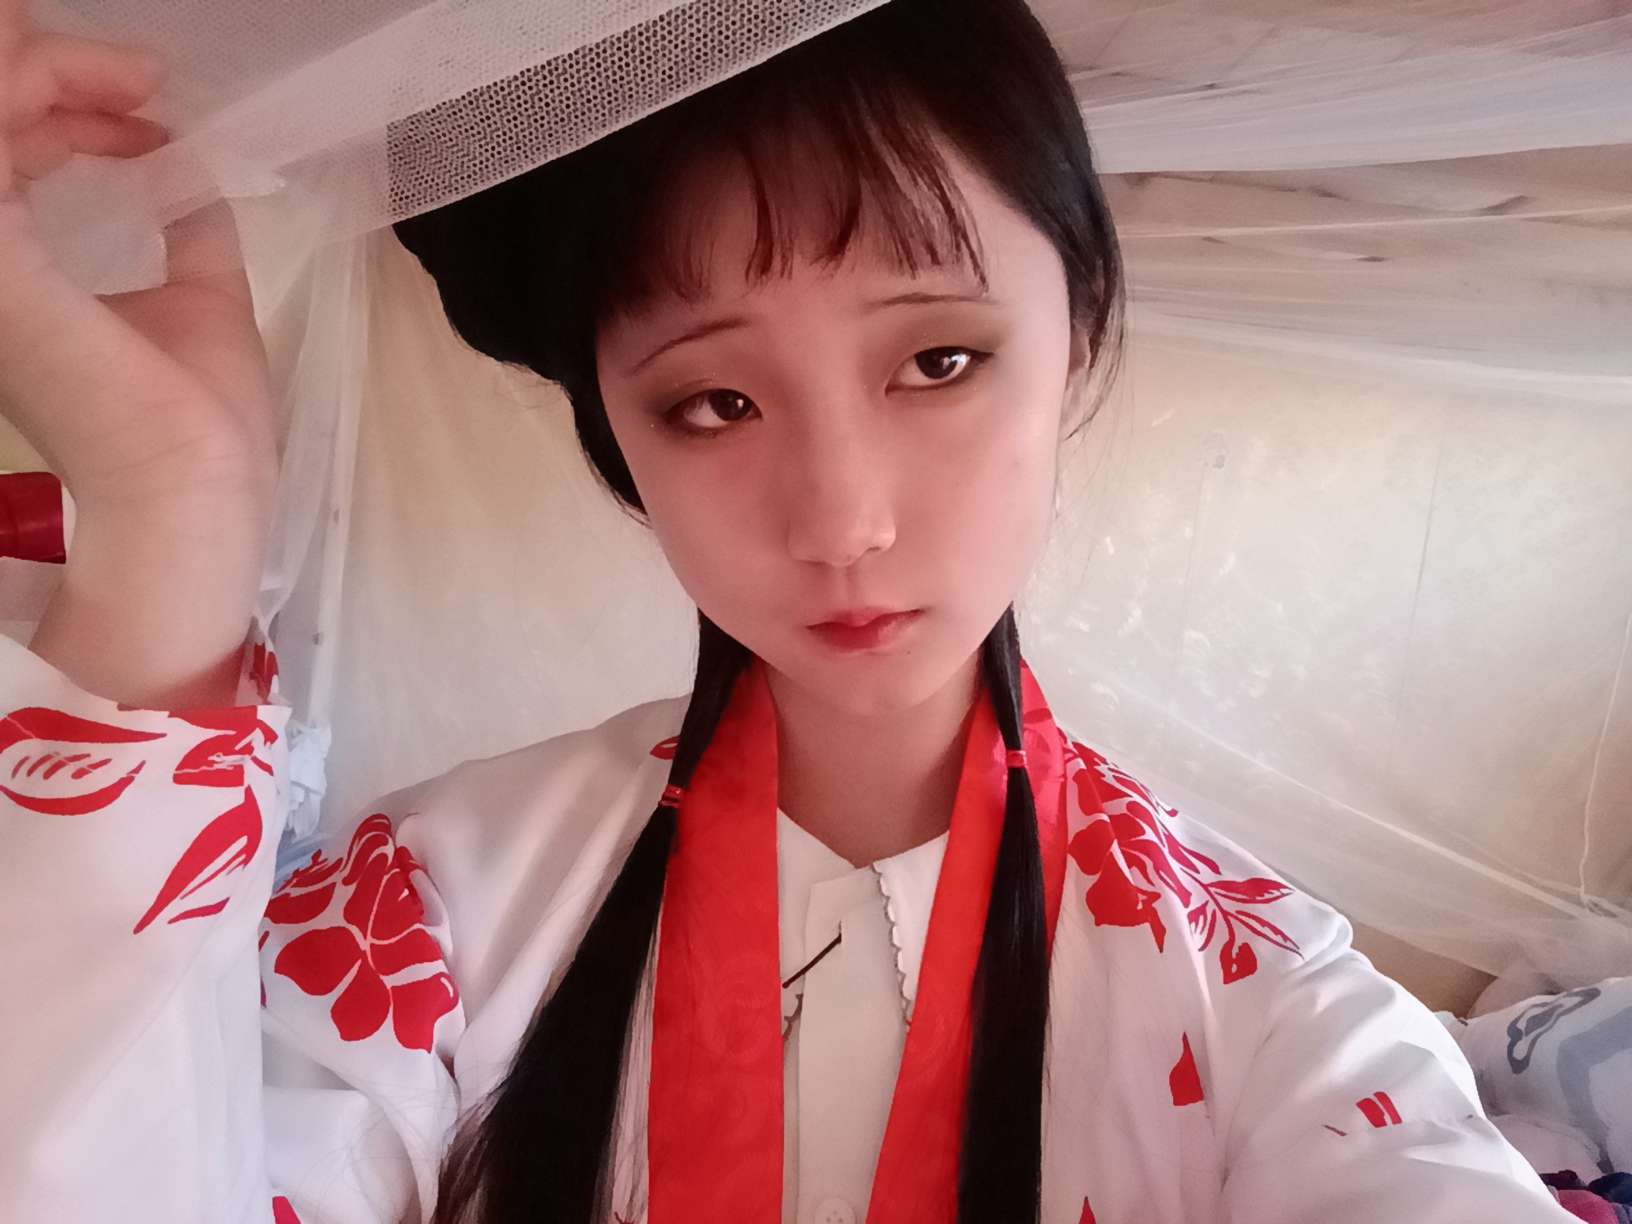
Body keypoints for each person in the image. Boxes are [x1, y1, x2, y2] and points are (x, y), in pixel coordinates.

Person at [0, 1, 1581, 1221]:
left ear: (1078, 338)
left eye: (939, 360)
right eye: (713, 402)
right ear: (618, 437)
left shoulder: (1266, 995)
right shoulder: (423, 918)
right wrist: (170, 520)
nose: (842, 521)